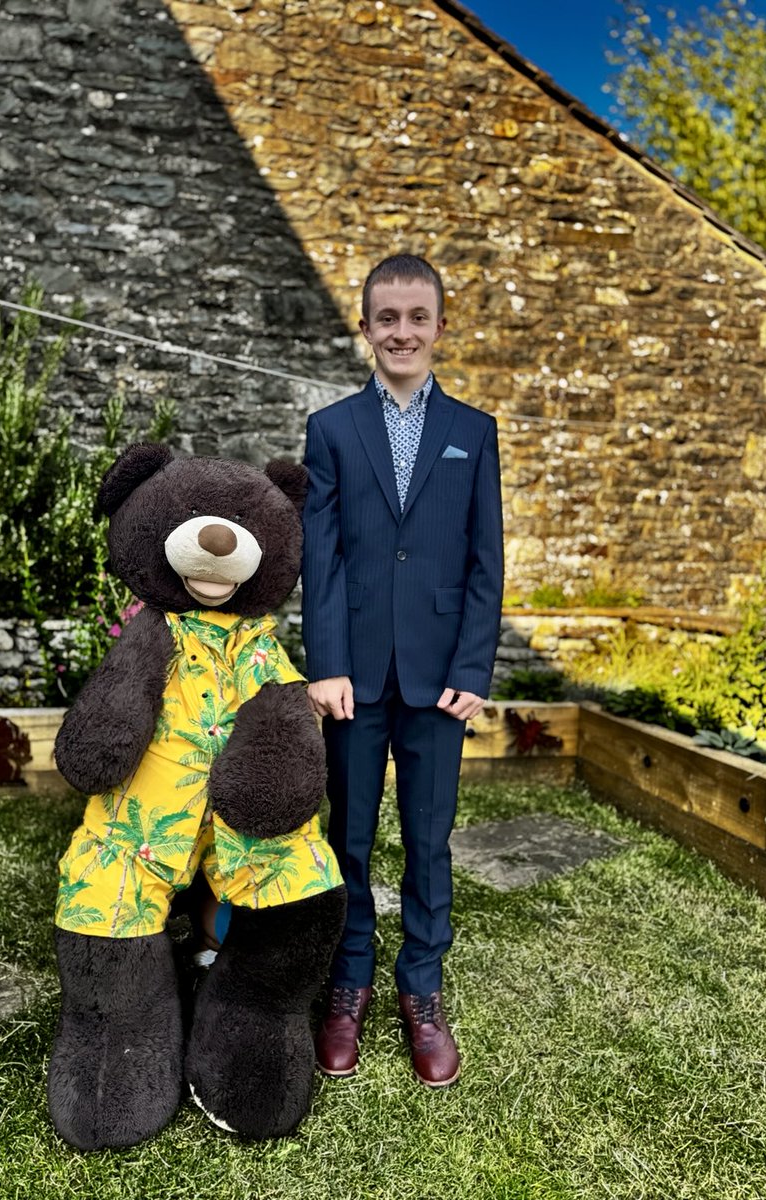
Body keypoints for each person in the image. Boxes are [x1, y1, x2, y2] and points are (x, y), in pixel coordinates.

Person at [301, 253, 504, 1087]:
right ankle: (347, 981)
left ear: (440, 328)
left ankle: (421, 986)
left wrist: (472, 667)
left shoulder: (474, 432)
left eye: (418, 317)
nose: (402, 332)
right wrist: (327, 666)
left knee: (428, 840)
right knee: (347, 838)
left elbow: (485, 562)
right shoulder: (332, 430)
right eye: (387, 318)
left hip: (438, 682)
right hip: (356, 682)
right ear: (365, 328)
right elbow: (323, 557)